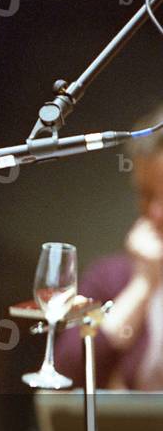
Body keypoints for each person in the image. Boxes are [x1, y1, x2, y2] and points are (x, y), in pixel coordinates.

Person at [57, 122, 163, 389]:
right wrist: (142, 286)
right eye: (147, 194)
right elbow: (66, 375)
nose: (155, 213)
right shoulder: (111, 276)